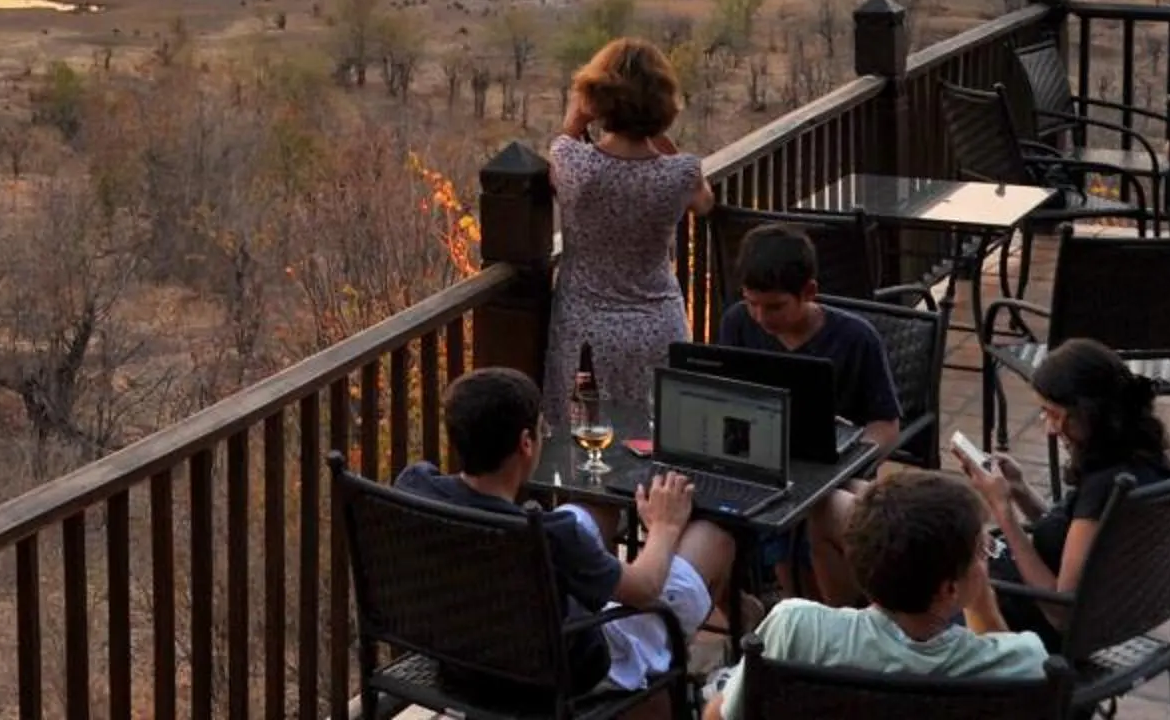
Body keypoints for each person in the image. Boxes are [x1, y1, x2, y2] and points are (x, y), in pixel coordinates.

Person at [400, 368, 736, 712]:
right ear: (526, 443)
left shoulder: (415, 486)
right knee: (714, 539)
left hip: (463, 655)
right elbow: (646, 588)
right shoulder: (550, 536)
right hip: (561, 668)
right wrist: (664, 526)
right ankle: (677, 675)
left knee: (592, 511)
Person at [704, 470, 1047, 719]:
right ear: (948, 589)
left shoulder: (796, 626)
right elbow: (1007, 664)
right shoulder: (1022, 661)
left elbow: (719, 718)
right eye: (981, 553)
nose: (986, 559)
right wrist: (983, 605)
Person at [712, 225, 903, 602]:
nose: (760, 316)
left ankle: (822, 614)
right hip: (756, 466)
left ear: (809, 292)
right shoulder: (737, 322)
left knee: (805, 516)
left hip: (827, 475)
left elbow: (887, 424)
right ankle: (755, 610)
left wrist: (847, 460)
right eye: (751, 302)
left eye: (774, 306)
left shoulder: (855, 337)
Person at [950, 338, 1170, 643]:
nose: (1050, 429)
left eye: (1054, 414)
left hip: (1023, 626)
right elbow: (1079, 539)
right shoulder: (1147, 463)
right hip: (1109, 609)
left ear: (1089, 412)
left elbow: (1061, 611)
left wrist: (1003, 511)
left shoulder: (1106, 486)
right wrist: (1020, 490)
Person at [547, 37, 714, 429]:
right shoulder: (681, 173)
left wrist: (576, 120)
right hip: (660, 324)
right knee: (663, 440)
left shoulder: (575, 165)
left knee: (584, 448)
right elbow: (706, 203)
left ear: (596, 100)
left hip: (586, 329)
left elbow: (565, 140)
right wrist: (654, 130)